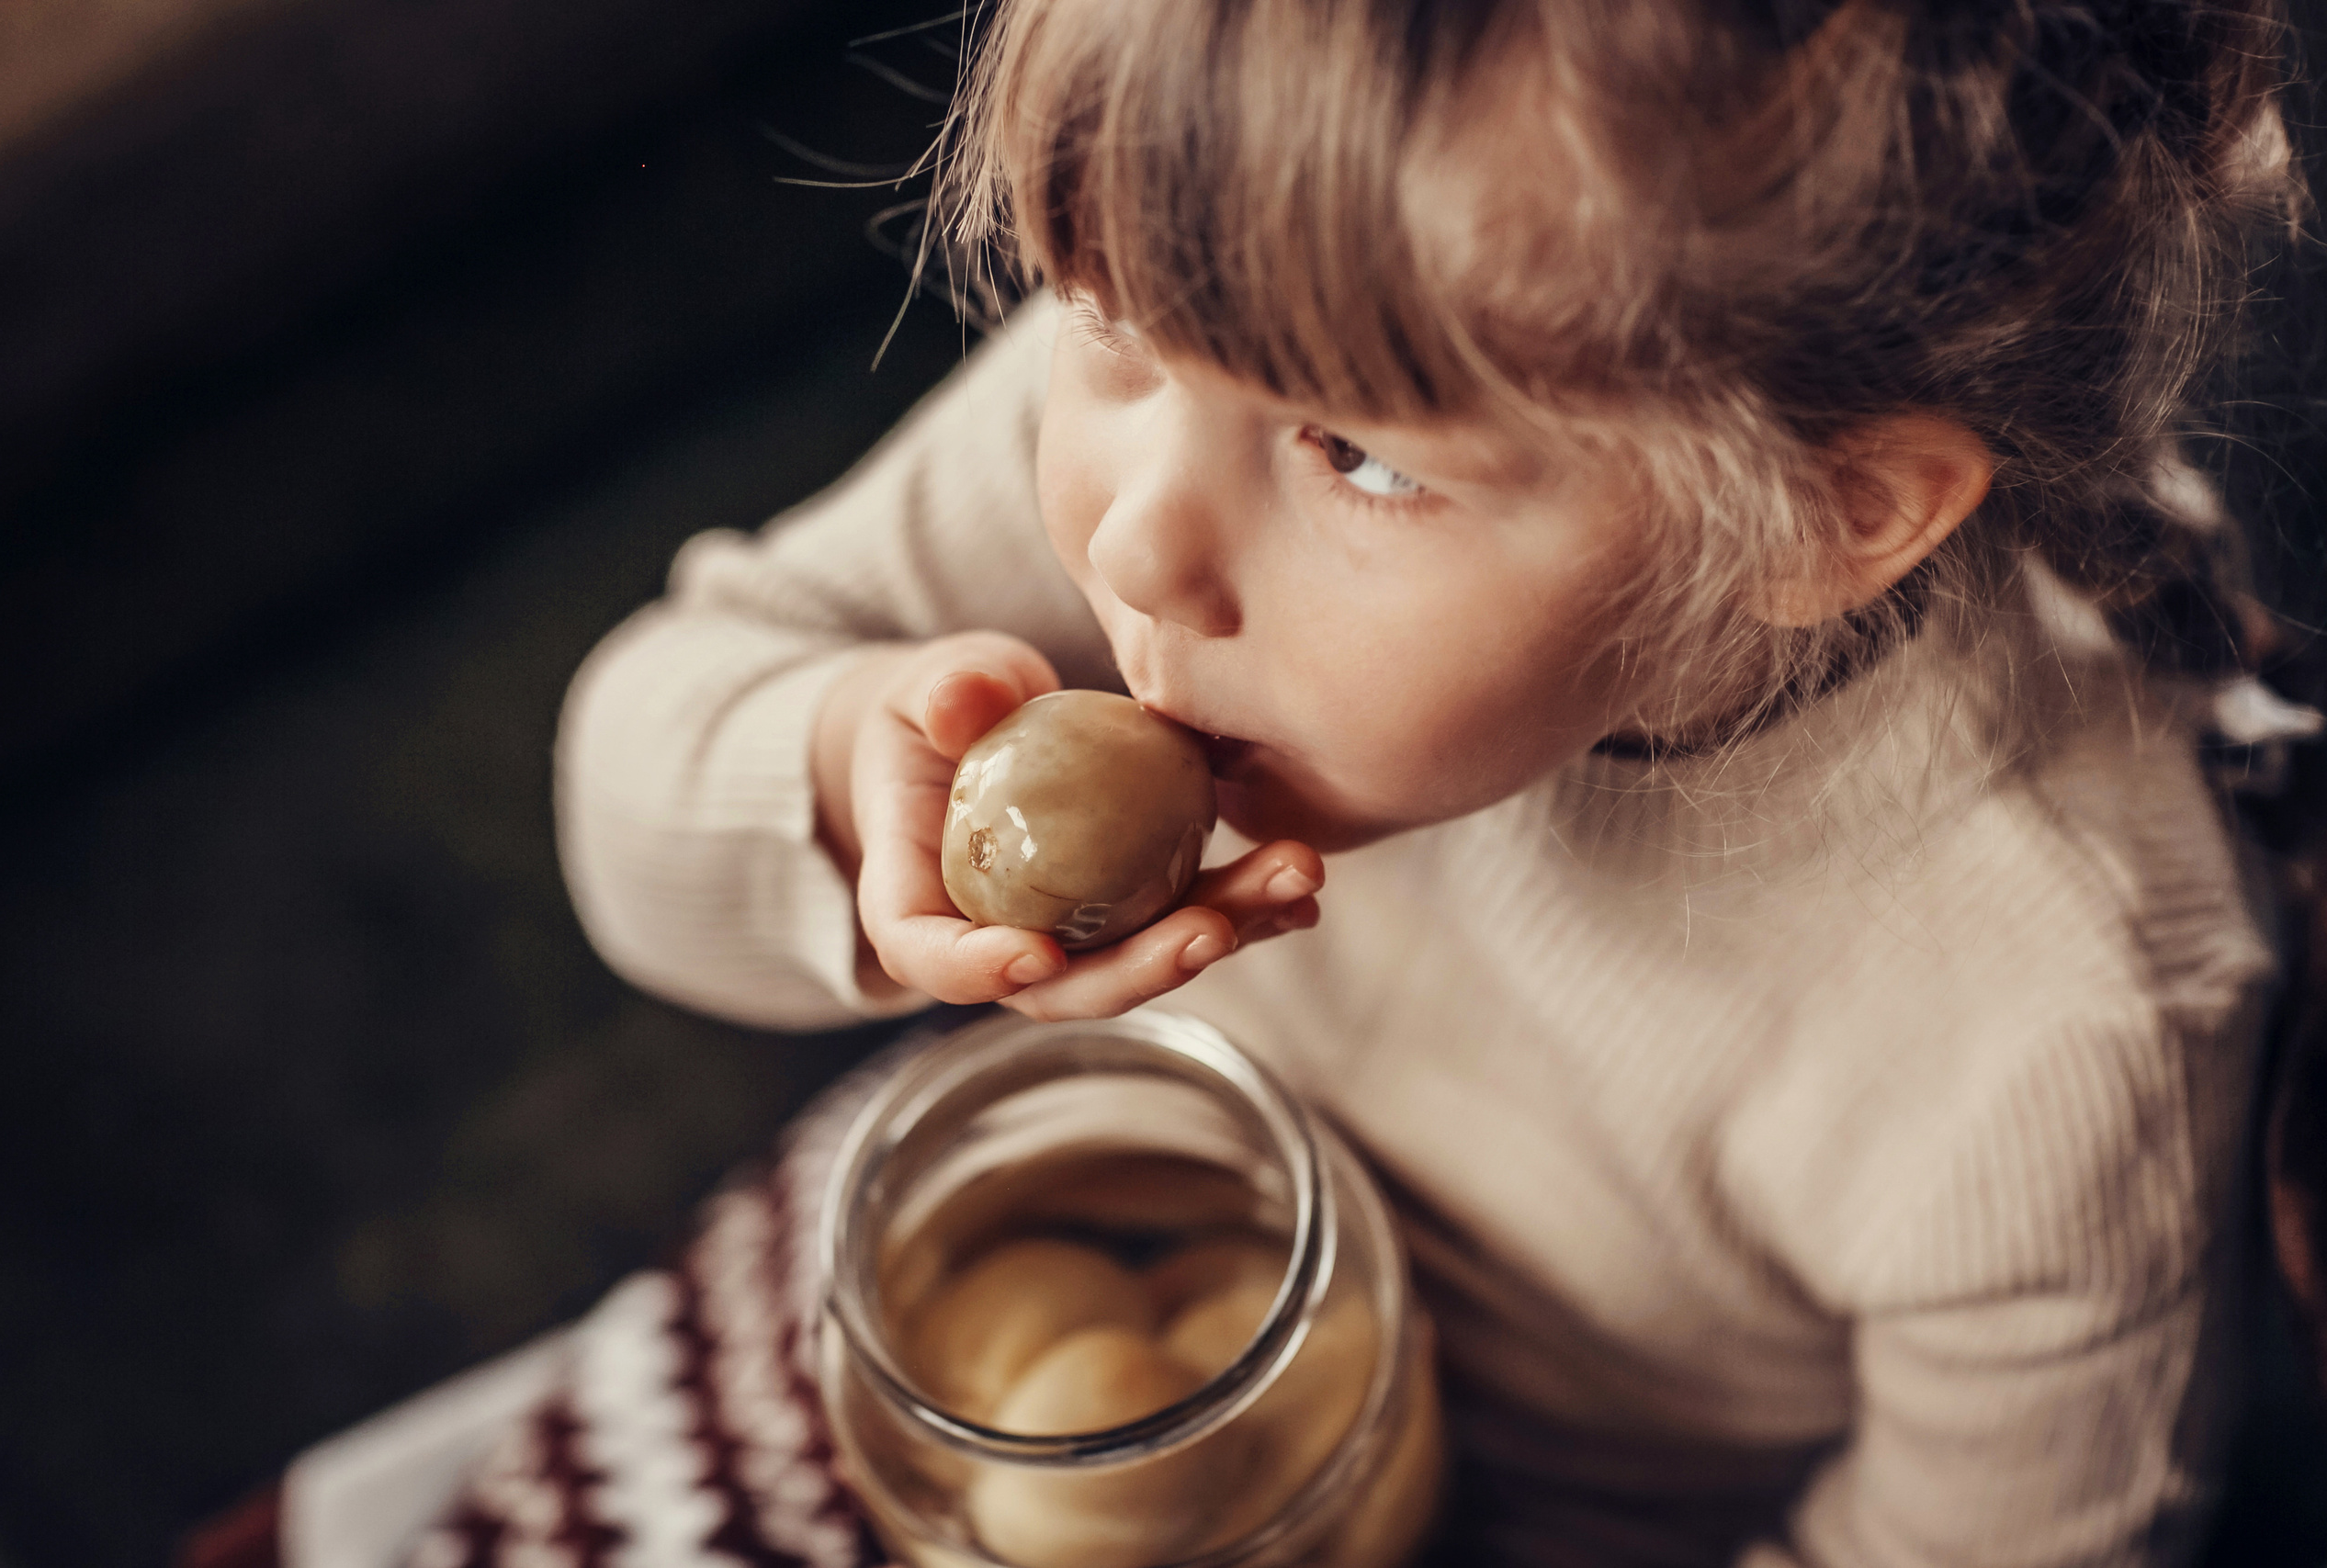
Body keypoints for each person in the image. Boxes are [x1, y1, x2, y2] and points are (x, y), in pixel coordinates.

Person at [539, 0, 2309, 1562]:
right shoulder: (1221, 365)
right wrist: (862, 784)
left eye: (1361, 459)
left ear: (1823, 516)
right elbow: (634, 779)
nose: (1137, 545)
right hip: (1057, 1258)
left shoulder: (2062, 1018)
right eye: (1103, 319)